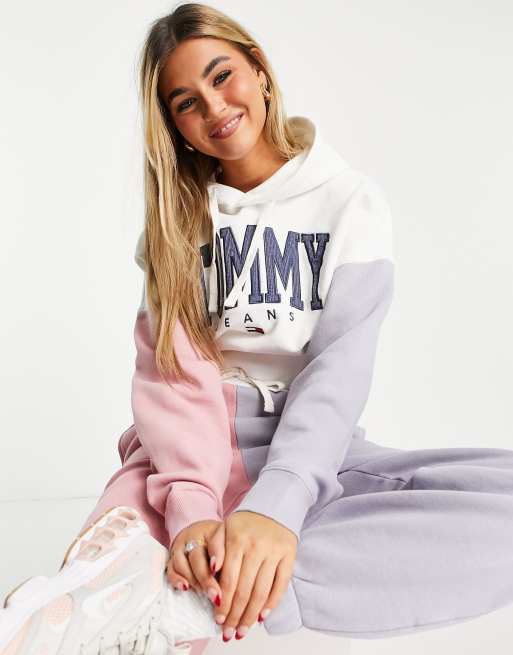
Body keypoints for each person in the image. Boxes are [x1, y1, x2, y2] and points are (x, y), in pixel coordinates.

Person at [2, 3, 513, 655]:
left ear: (260, 73)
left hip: (307, 450)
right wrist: (192, 511)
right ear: (176, 127)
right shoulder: (176, 225)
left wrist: (277, 508)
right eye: (186, 102)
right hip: (182, 457)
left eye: (222, 76)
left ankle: (207, 594)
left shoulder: (347, 203)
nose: (214, 106)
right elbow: (174, 381)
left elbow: (337, 371)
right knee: (111, 564)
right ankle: (171, 574)